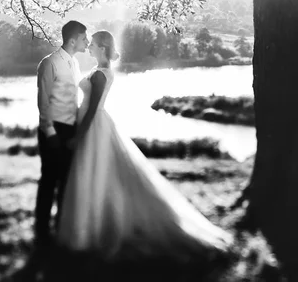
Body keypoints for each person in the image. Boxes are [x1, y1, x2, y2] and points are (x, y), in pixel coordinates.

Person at [57, 30, 233, 261]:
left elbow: (92, 109)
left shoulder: (100, 75)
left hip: (93, 126)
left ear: (102, 47)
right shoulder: (99, 71)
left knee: (90, 171)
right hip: (95, 123)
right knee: (92, 173)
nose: (88, 47)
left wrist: (79, 135)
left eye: (92, 44)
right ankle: (90, 225)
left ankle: (90, 230)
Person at [34, 20, 89, 246]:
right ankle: (42, 231)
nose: (87, 42)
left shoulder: (75, 64)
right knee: (49, 179)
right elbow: (43, 100)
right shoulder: (50, 63)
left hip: (70, 130)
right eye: (84, 38)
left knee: (66, 181)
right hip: (53, 130)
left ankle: (61, 230)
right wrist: (50, 132)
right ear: (73, 39)